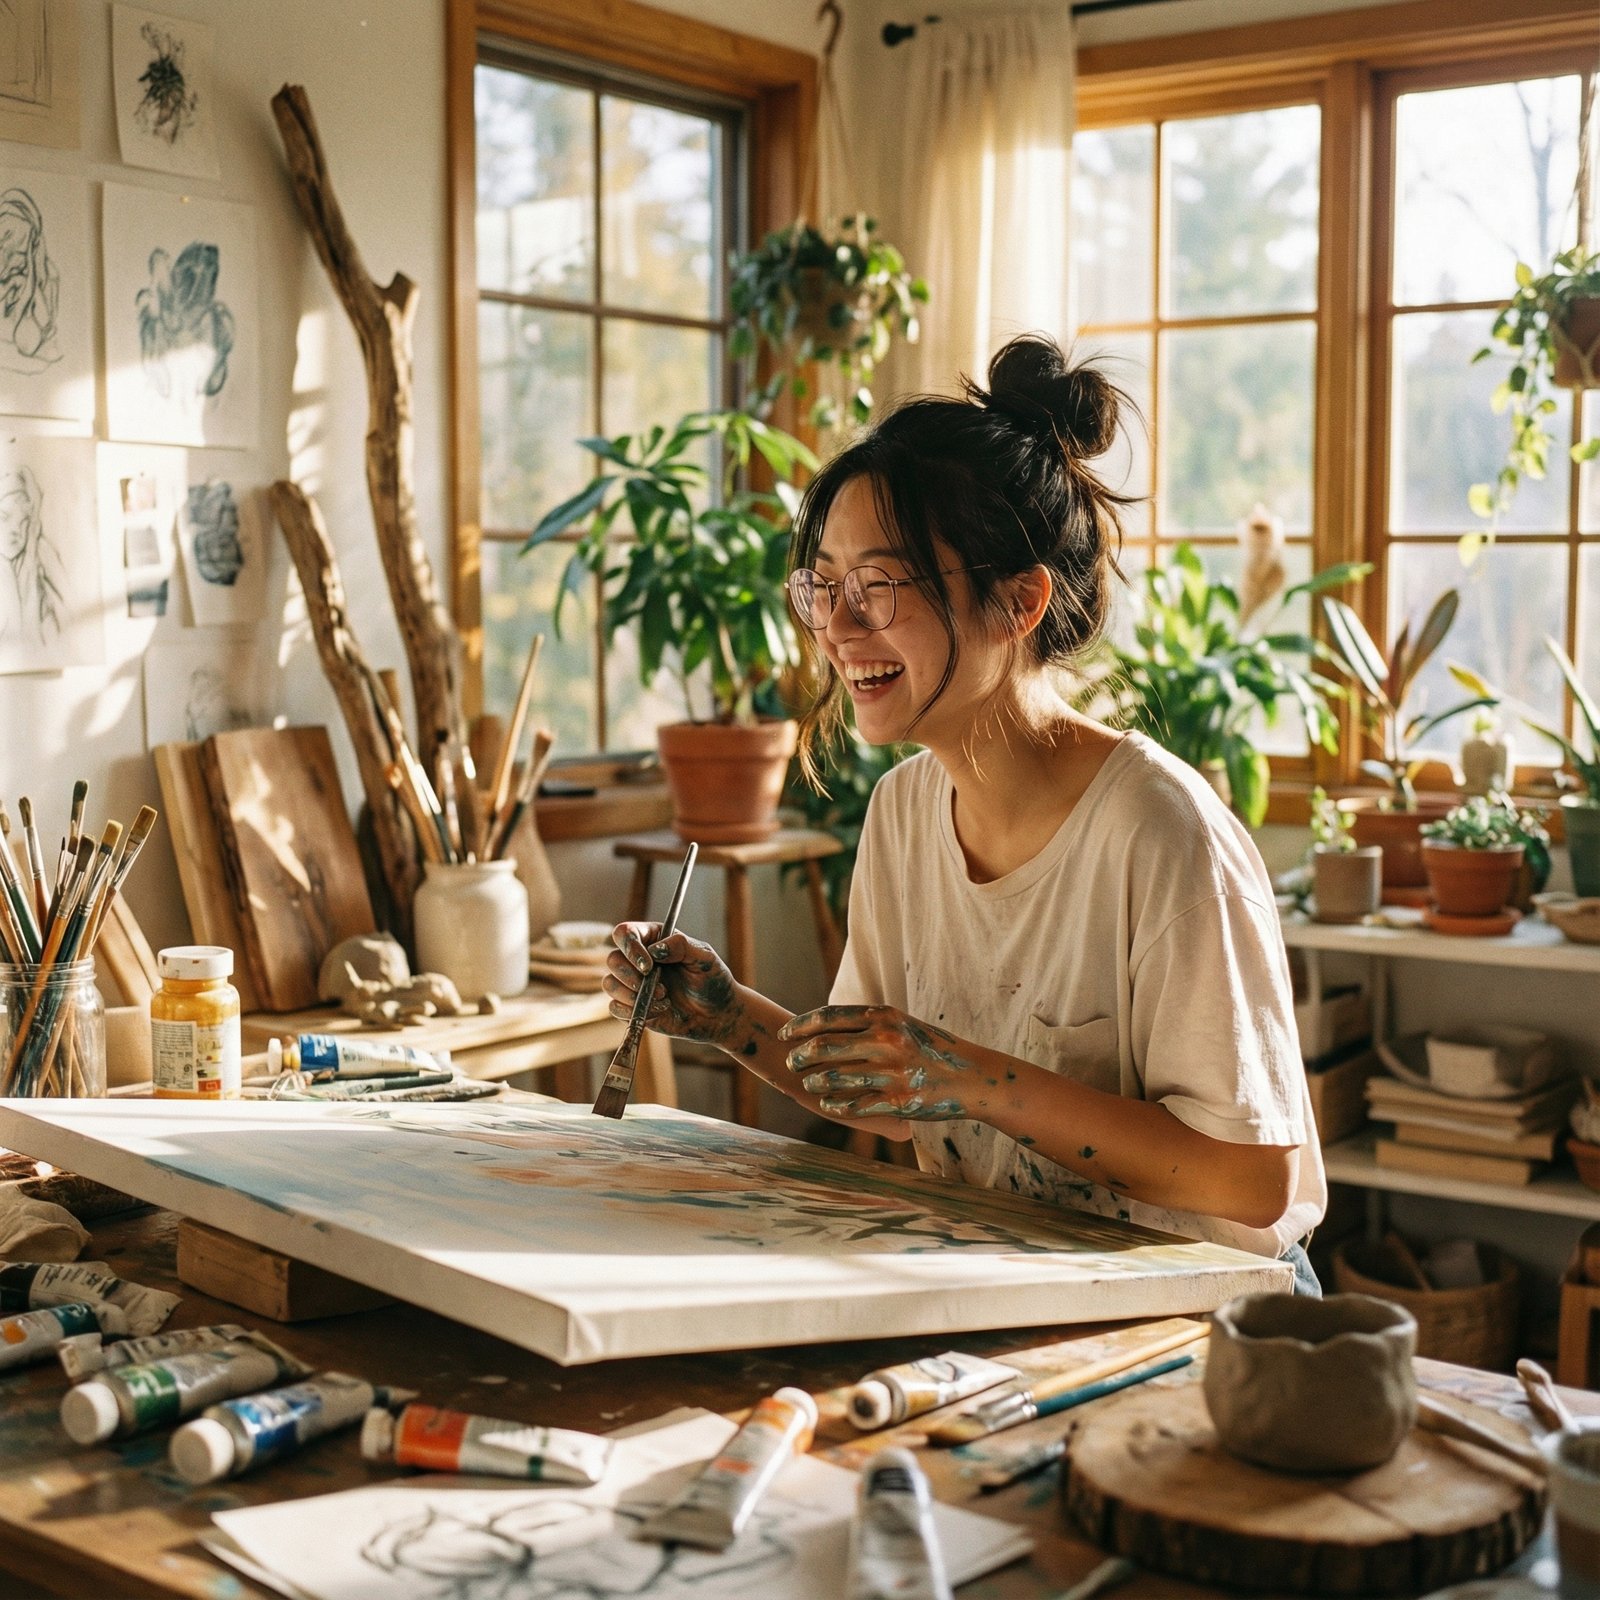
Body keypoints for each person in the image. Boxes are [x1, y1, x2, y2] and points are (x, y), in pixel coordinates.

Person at [605, 333, 1326, 1293]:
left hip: (1207, 1313)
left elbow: (1253, 1177)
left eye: (881, 585)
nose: (837, 626)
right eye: (824, 584)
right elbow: (897, 1096)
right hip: (1013, 1278)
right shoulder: (904, 811)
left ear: (1017, 601)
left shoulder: (1161, 833)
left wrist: (965, 1075)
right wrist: (734, 1020)